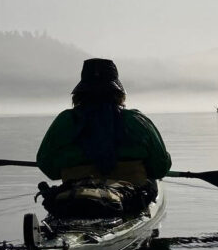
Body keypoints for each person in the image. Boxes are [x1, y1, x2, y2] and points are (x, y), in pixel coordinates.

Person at [36, 58, 171, 194]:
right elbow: (160, 168)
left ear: (80, 93)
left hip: (78, 195)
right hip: (131, 196)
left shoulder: (64, 121)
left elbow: (47, 166)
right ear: (118, 93)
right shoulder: (137, 120)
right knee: (153, 181)